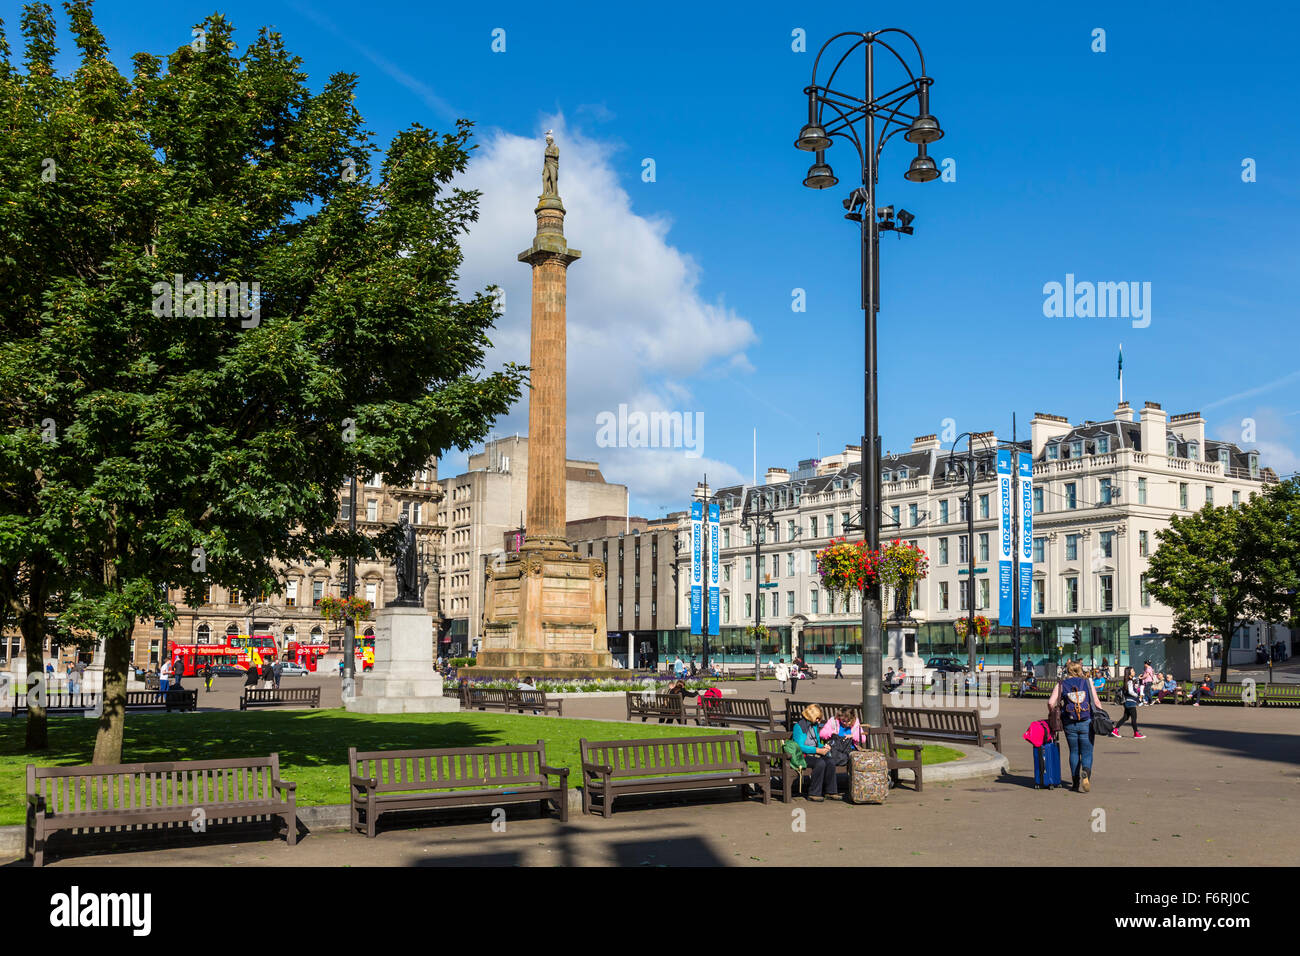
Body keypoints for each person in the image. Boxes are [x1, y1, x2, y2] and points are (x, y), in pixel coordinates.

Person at [1047, 659, 1105, 792]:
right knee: (1087, 752)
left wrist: (1052, 713)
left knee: (1074, 752)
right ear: (1080, 669)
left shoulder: (1061, 684)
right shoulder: (1088, 682)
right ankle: (1085, 773)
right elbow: (1096, 702)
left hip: (1069, 722)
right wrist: (1101, 716)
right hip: (1087, 722)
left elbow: (1051, 702)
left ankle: (1075, 783)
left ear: (1068, 670)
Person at [791, 704, 838, 801]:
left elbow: (816, 742)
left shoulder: (814, 726)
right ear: (811, 716)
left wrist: (824, 747)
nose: (819, 721)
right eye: (817, 718)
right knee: (820, 763)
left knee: (830, 762)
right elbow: (799, 747)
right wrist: (817, 750)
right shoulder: (798, 726)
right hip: (802, 756)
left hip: (814, 753)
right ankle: (814, 793)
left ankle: (830, 791)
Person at [1111, 666, 1144, 739]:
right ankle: (1136, 733)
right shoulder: (1129, 681)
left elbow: (1134, 681)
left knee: (1125, 717)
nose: (1134, 672)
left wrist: (1138, 678)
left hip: (1127, 702)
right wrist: (1137, 695)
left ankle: (1115, 730)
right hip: (1130, 702)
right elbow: (1130, 691)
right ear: (1129, 674)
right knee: (1134, 718)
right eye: (1132, 671)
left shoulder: (1129, 680)